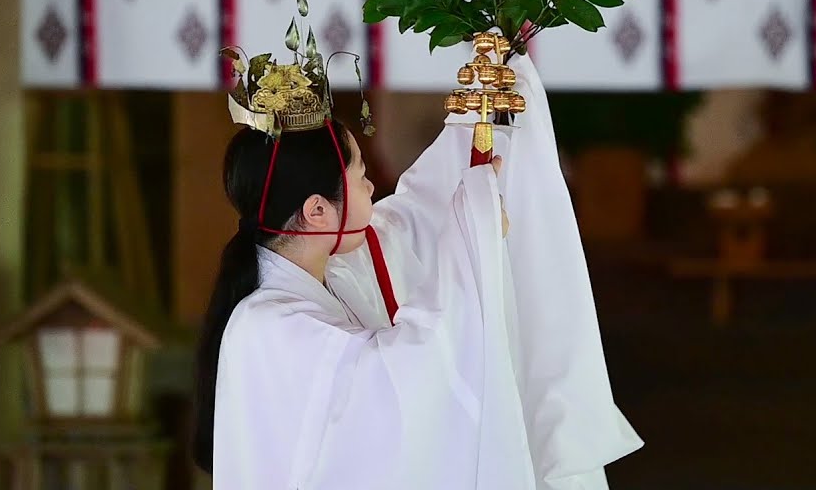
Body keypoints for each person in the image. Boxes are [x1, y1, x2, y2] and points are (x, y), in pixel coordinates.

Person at [195, 38, 640, 489]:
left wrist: (480, 111)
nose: (372, 190)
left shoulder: (322, 274)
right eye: (362, 177)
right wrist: (475, 237)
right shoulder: (268, 325)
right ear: (316, 211)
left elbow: (414, 217)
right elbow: (403, 384)